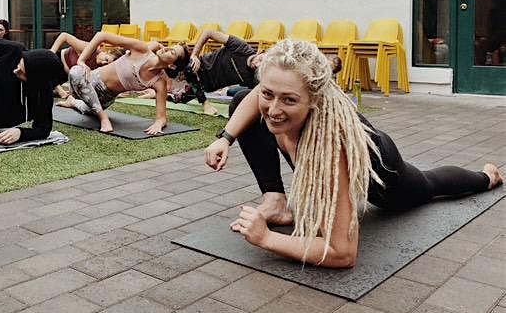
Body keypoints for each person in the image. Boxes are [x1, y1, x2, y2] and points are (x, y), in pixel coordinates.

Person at [204, 40, 503, 268]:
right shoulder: (271, 96)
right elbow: (256, 97)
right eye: (268, 93)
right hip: (322, 145)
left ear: (314, 100)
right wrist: (226, 139)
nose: (273, 108)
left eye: (289, 100)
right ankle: (276, 201)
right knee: (242, 101)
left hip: (384, 170)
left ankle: (485, 177)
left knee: (427, 185)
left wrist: (267, 239)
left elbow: (342, 253)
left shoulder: (333, 146)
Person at [59, 30, 190, 135]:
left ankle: (73, 102)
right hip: (89, 81)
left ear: (172, 66)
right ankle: (103, 118)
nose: (167, 48)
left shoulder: (158, 82)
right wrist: (82, 60)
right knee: (75, 72)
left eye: (172, 52)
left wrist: (159, 123)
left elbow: (162, 117)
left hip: (106, 98)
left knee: (88, 108)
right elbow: (101, 36)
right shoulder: (142, 49)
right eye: (171, 47)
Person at [49, 31, 118, 99]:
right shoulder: (90, 49)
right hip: (58, 60)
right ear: (107, 52)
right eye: (106, 59)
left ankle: (55, 90)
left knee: (42, 88)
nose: (103, 63)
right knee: (47, 71)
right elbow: (64, 36)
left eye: (106, 64)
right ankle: (59, 90)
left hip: (63, 75)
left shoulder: (100, 68)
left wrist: (115, 93)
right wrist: (51, 53)